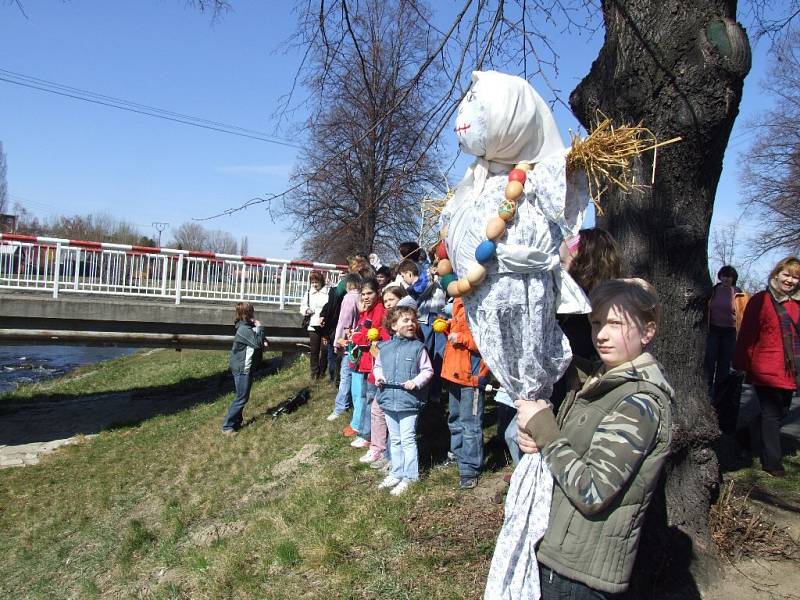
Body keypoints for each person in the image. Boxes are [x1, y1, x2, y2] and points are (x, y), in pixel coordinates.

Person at [505, 278, 674, 598]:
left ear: (648, 331)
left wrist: (545, 430)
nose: (602, 334)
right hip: (556, 552)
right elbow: (569, 448)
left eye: (615, 323)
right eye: (596, 322)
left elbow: (592, 490)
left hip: (579, 575)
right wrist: (541, 440)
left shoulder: (638, 403)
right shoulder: (596, 383)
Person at [733, 256, 800, 477]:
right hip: (765, 366)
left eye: (795, 277)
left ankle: (743, 435)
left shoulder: (798, 304)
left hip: (791, 369)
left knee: (779, 411)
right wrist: (742, 363)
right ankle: (772, 462)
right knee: (772, 414)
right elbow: (747, 334)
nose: (790, 280)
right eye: (786, 275)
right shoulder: (761, 300)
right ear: (776, 274)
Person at [373, 305, 434, 496]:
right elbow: (378, 366)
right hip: (388, 399)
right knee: (395, 440)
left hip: (408, 401)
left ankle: (411, 477)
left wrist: (415, 383)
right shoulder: (385, 347)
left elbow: (427, 371)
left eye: (413, 320)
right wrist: (379, 377)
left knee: (407, 439)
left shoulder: (418, 348)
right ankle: (397, 472)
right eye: (405, 320)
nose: (411, 324)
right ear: (393, 325)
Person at [441, 297, 490, 489]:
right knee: (455, 418)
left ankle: (470, 468)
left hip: (472, 377)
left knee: (470, 423)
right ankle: (458, 454)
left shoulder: (481, 306)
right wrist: (448, 328)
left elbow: (487, 343)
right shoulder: (459, 304)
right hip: (455, 373)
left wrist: (461, 338)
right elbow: (457, 334)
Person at [347, 278, 389, 448]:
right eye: (363, 294)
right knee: (365, 397)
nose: (365, 297)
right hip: (365, 361)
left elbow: (371, 335)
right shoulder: (367, 311)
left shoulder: (379, 310)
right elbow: (362, 331)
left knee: (371, 399)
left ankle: (368, 435)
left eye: (369, 293)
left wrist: (355, 337)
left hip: (373, 360)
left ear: (377, 293)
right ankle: (364, 432)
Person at [222, 302, 268, 434]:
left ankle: (236, 422)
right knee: (242, 397)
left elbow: (258, 340)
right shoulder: (244, 330)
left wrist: (262, 337)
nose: (253, 314)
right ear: (247, 314)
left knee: (242, 396)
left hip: (246, 367)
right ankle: (227, 426)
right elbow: (257, 342)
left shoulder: (247, 327)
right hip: (242, 368)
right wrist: (261, 327)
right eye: (251, 311)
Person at [706, 265, 749, 397]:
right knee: (709, 363)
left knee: (724, 367)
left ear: (733, 278)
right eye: (724, 275)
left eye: (729, 276)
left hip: (730, 334)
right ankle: (706, 392)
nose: (726, 278)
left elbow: (744, 314)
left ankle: (719, 395)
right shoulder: (713, 291)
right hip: (713, 331)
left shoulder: (740, 295)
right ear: (720, 276)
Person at [327, 273, 363, 422]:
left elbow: (344, 321)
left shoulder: (349, 298)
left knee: (345, 374)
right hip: (361, 339)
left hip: (349, 341)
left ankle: (340, 407)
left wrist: (338, 341)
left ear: (348, 285)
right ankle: (354, 405)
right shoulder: (362, 296)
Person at [300, 271, 330, 379]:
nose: (314, 285)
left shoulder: (328, 292)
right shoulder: (308, 292)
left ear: (321, 282)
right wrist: (307, 310)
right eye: (312, 282)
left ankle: (322, 373)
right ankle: (314, 373)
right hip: (313, 325)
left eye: (316, 282)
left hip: (325, 325)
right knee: (314, 350)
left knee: (325, 350)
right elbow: (302, 306)